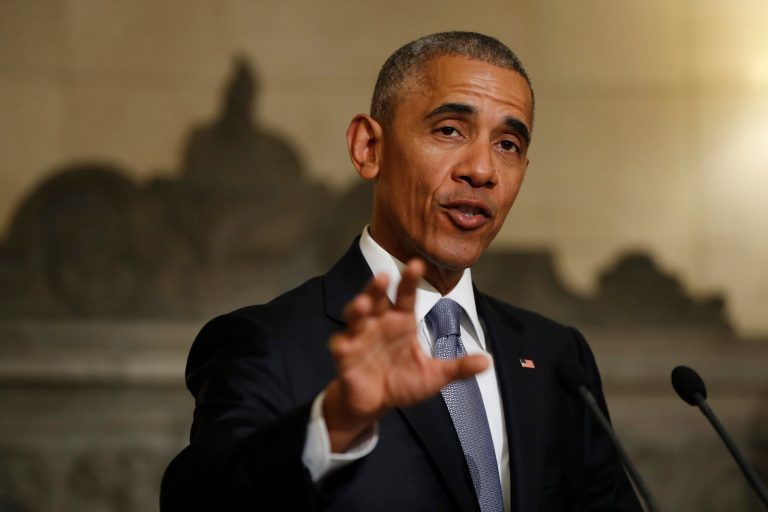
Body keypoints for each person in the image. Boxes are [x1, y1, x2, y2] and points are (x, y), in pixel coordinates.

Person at [161, 31, 642, 511]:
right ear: (368, 148)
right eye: (450, 130)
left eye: (509, 144)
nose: (482, 169)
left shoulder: (557, 356)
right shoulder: (265, 343)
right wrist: (337, 421)